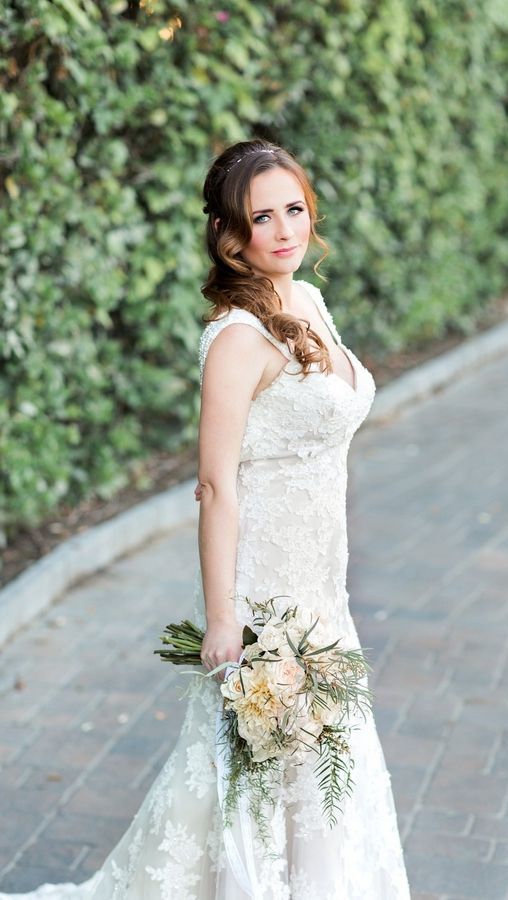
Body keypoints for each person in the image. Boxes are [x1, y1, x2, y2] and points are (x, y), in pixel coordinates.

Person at [0, 139, 411, 898]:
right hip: (264, 598)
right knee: (254, 779)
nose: (285, 229)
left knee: (323, 770)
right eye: (263, 217)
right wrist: (224, 618)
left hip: (323, 586)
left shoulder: (305, 300)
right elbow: (216, 486)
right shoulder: (236, 339)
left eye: (294, 208)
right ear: (231, 236)